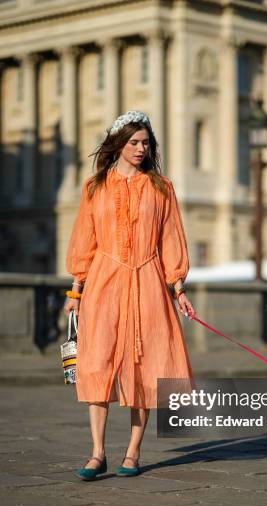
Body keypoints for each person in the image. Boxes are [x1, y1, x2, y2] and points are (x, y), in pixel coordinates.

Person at [64, 110, 195, 481]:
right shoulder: (95, 187)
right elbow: (84, 242)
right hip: (104, 283)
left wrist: (179, 288)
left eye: (146, 142)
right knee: (96, 363)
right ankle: (97, 453)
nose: (141, 149)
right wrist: (75, 290)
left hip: (149, 281)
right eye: (134, 142)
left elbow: (171, 240)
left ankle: (133, 452)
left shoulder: (161, 187)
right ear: (118, 144)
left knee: (146, 366)